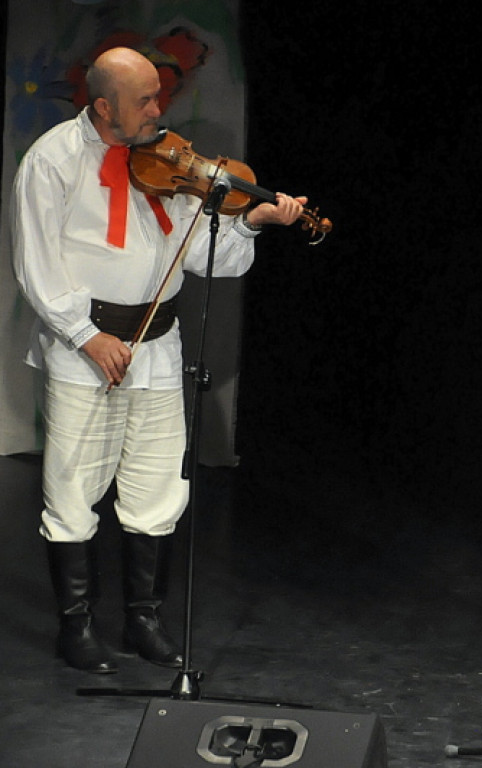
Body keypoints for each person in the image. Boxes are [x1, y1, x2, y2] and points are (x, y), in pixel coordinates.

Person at [11, 46, 305, 674]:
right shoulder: (52, 161)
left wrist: (251, 221)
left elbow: (204, 257)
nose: (158, 110)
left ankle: (143, 618)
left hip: (158, 350)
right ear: (102, 106)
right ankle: (75, 626)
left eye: (158, 96)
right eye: (143, 100)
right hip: (85, 352)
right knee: (72, 491)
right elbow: (35, 264)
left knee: (157, 490)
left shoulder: (165, 162)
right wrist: (85, 335)